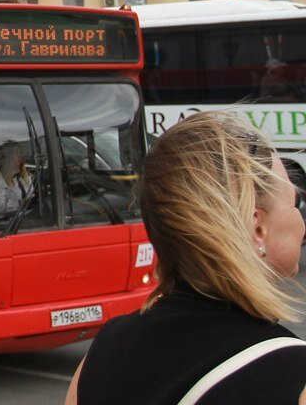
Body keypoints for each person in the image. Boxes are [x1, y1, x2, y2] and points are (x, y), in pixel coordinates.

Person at [66, 111, 306, 404]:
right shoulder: (292, 374)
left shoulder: (99, 357)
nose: (301, 218)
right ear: (257, 226)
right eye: (295, 202)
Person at [0, 141, 33, 217]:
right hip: (11, 221)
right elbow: (0, 207)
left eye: (21, 155)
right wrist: (19, 203)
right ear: (10, 158)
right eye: (18, 156)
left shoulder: (25, 175)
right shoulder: (0, 179)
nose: (21, 159)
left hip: (29, 216)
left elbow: (30, 195)